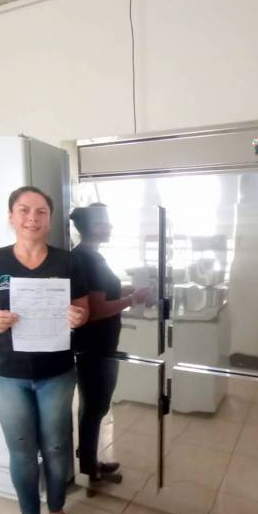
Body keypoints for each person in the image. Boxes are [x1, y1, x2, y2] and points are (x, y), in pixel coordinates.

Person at [0, 186, 89, 514]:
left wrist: (78, 317)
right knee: (22, 449)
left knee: (55, 447)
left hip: (56, 372)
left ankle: (56, 512)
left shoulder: (68, 261)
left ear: (50, 219)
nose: (32, 218)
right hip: (8, 375)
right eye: (24, 210)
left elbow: (83, 309)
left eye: (41, 212)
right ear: (11, 216)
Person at [70, 203, 150, 486]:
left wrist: (130, 290)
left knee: (96, 407)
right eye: (104, 222)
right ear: (91, 227)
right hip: (94, 347)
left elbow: (105, 292)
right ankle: (89, 467)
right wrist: (133, 299)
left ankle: (88, 458)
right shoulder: (86, 259)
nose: (110, 226)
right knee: (95, 407)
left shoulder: (93, 256)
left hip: (102, 345)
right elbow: (95, 309)